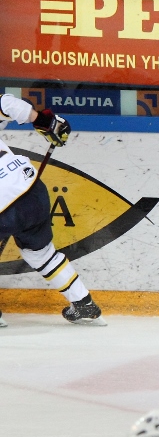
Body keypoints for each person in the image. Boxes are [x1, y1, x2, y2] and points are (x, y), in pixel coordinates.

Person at [0, 94, 103, 328]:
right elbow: (7, 104)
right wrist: (43, 121)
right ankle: (83, 303)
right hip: (32, 190)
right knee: (41, 254)